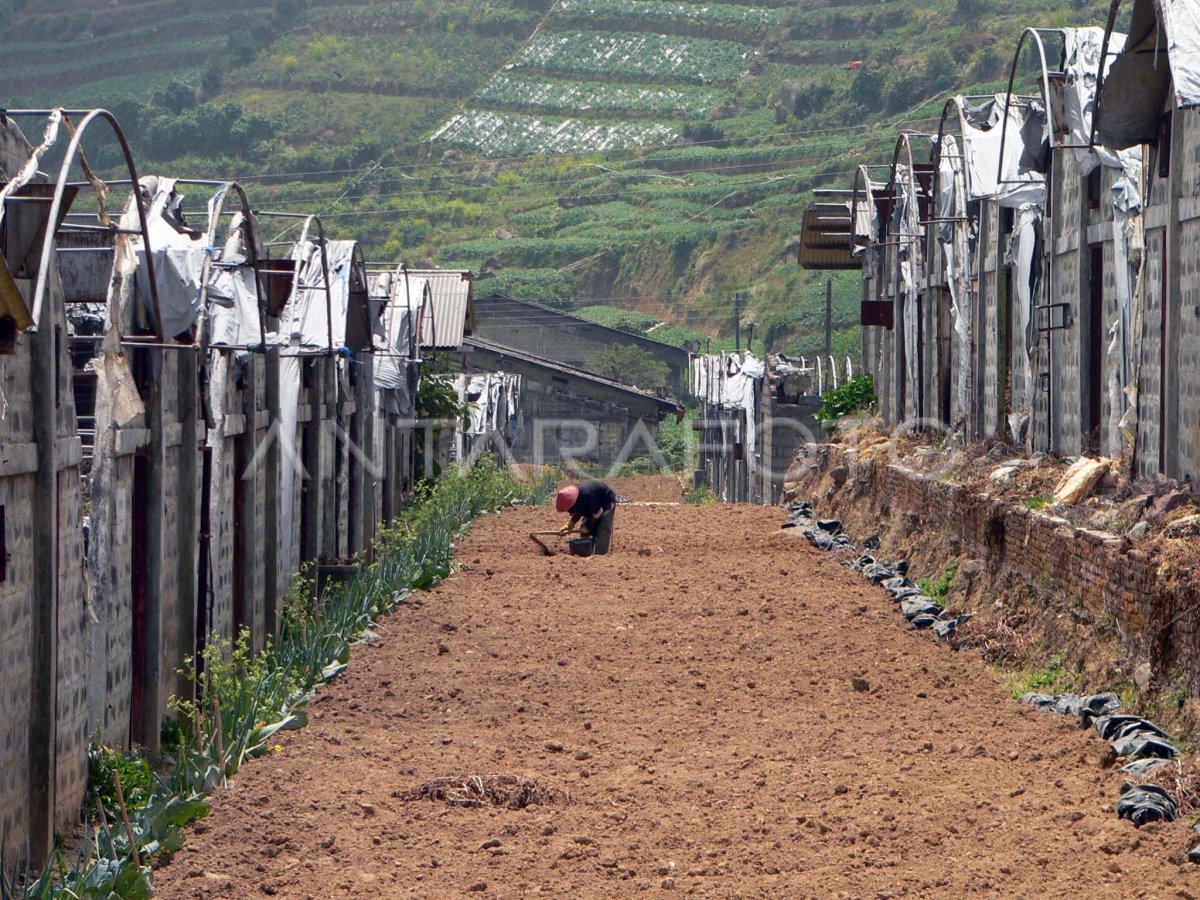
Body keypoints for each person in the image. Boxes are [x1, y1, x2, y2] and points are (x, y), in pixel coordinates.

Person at [555, 479, 617, 555]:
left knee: (602, 528)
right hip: (593, 508)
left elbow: (598, 512)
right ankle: (585, 552)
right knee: (584, 529)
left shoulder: (587, 495)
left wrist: (588, 525)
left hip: (606, 504)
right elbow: (578, 511)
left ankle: (600, 555)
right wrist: (570, 524)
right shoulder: (577, 499)